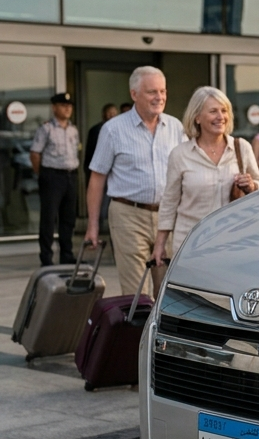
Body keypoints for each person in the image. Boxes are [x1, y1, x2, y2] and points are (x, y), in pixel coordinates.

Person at [86, 66, 186, 295]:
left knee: (168, 292)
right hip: (128, 216)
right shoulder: (113, 130)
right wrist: (93, 225)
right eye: (152, 92)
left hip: (167, 217)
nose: (159, 97)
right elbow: (97, 179)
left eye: (162, 91)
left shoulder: (176, 127)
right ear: (134, 94)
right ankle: (139, 320)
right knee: (136, 293)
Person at [152, 87, 259, 269]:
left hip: (233, 244)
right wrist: (160, 244)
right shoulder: (180, 154)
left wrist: (252, 186)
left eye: (224, 110)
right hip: (190, 246)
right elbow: (169, 201)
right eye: (213, 111)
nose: (221, 117)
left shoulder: (241, 148)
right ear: (197, 117)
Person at [31, 92, 81, 266]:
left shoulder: (73, 130)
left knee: (68, 218)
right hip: (52, 176)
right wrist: (43, 175)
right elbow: (35, 154)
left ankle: (66, 254)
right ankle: (46, 257)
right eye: (63, 105)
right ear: (54, 108)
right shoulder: (46, 129)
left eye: (69, 106)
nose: (67, 109)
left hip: (70, 175)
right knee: (49, 218)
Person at [85, 102, 119, 236]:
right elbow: (89, 156)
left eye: (114, 113)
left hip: (116, 177)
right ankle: (96, 230)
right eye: (109, 113)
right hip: (101, 174)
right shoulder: (96, 130)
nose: (112, 116)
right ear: (104, 114)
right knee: (99, 207)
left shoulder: (120, 130)